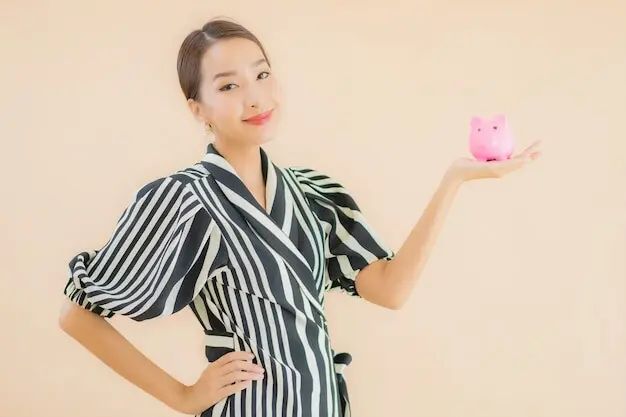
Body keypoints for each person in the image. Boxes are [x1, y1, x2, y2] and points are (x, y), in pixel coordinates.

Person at [58, 18, 542, 417]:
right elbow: (77, 315)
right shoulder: (185, 200)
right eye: (229, 86)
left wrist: (453, 181)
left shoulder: (313, 193)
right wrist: (184, 397)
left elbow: (390, 290)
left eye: (262, 75)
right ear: (197, 109)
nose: (255, 97)